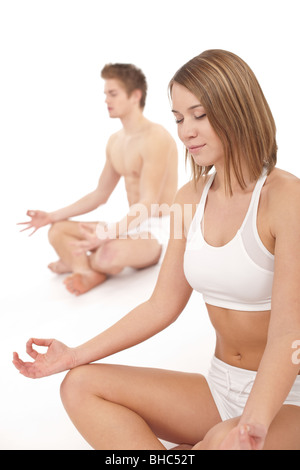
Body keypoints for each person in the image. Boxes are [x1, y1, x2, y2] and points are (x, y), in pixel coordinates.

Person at [13, 50, 300, 450]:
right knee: (80, 386)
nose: (186, 132)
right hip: (220, 387)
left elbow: (290, 332)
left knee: (219, 440)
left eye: (200, 115)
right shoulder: (189, 198)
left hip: (286, 398)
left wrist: (251, 424)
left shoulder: (286, 198)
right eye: (179, 118)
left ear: (236, 108)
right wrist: (74, 355)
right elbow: (161, 305)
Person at [18, 63, 178, 295]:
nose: (106, 100)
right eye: (105, 94)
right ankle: (86, 271)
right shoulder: (116, 141)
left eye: (112, 94)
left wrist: (108, 234)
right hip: (128, 225)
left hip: (158, 230)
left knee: (109, 254)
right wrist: (51, 216)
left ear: (135, 96)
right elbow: (99, 195)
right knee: (57, 230)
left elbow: (149, 203)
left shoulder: (156, 138)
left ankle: (76, 262)